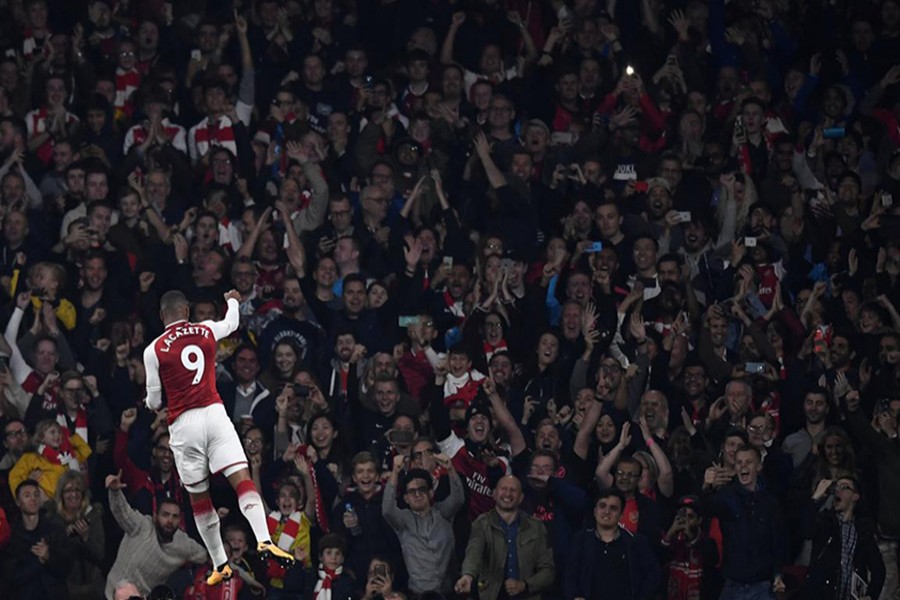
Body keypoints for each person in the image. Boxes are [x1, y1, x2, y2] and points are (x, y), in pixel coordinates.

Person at [143, 289, 295, 585]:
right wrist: (233, 300)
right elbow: (232, 323)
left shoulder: (154, 349)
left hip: (183, 425)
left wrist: (153, 403)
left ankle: (219, 563)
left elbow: (154, 400)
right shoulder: (205, 329)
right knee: (242, 479)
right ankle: (264, 539)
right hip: (214, 414)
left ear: (162, 316)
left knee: (200, 498)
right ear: (187, 311)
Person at [104, 470, 208, 599]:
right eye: (165, 515)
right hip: (112, 594)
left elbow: (207, 557)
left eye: (175, 516)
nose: (170, 520)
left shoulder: (183, 543)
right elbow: (122, 512)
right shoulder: (142, 526)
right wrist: (115, 492)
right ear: (155, 516)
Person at [454, 475, 555, 600]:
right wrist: (467, 576)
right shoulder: (481, 524)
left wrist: (525, 585)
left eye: (513, 490)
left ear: (521, 498)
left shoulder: (536, 527)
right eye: (503, 489)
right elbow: (474, 552)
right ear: (494, 494)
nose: (507, 493)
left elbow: (548, 571)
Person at [382, 453, 464, 596]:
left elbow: (458, 499)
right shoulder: (404, 519)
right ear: (406, 499)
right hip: (418, 594)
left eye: (422, 489)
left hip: (448, 593)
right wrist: (395, 472)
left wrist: (450, 469)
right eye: (412, 491)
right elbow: (387, 510)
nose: (417, 494)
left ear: (431, 493)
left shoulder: (443, 513)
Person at [563, 489, 661, 600]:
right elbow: (570, 575)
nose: (607, 511)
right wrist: (575, 596)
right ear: (595, 511)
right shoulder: (581, 540)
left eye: (613, 508)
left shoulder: (635, 542)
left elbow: (654, 575)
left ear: (621, 515)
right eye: (602, 506)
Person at [804, 476, 884, 600]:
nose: (838, 491)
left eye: (844, 487)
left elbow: (878, 569)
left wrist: (871, 595)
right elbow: (806, 530)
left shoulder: (863, 531)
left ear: (855, 496)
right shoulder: (826, 522)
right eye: (836, 487)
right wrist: (815, 499)